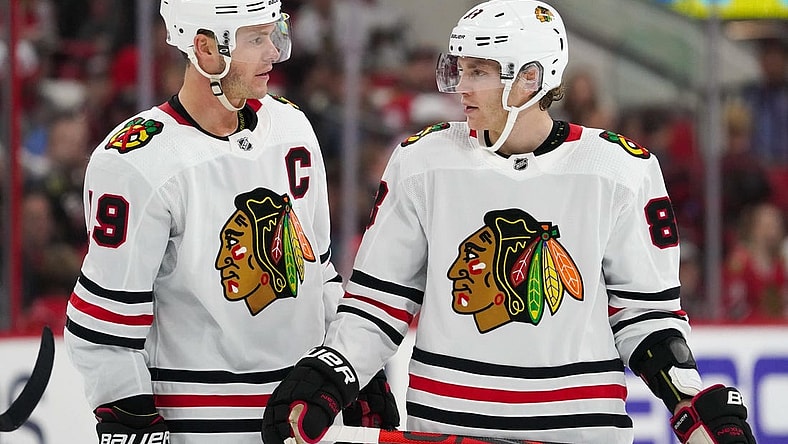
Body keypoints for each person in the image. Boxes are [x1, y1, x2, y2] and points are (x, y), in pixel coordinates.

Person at [261, 1, 755, 444]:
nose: (462, 87)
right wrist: (332, 372)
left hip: (576, 431)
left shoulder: (620, 170)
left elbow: (646, 318)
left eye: (480, 72)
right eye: (460, 69)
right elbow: (379, 303)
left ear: (530, 79)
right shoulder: (422, 161)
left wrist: (687, 397)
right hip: (447, 428)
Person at [63, 1, 397, 443]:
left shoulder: (291, 128)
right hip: (200, 427)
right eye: (256, 39)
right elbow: (106, 324)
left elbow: (319, 272)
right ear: (205, 49)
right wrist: (128, 413)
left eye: (273, 33)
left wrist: (351, 367)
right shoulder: (135, 162)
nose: (273, 53)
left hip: (301, 419)